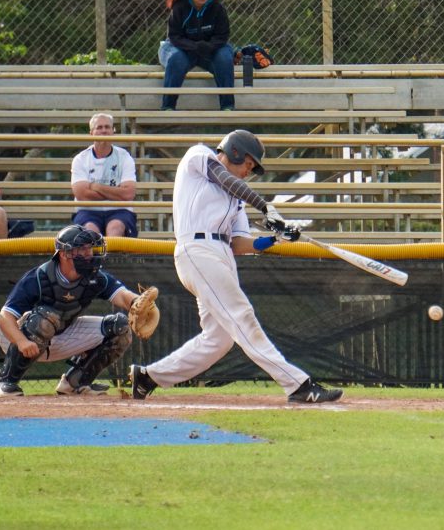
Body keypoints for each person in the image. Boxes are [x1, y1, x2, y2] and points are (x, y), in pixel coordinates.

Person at [130, 129, 343, 404]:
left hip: (220, 255)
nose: (248, 172)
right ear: (234, 152)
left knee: (219, 339)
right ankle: (298, 384)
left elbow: (241, 244)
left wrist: (275, 238)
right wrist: (265, 207)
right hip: (197, 250)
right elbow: (222, 176)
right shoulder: (199, 156)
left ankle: (148, 377)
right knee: (243, 316)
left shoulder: (236, 199)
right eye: (248, 164)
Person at [0, 225, 155, 397]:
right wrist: (21, 341)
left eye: (90, 248)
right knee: (47, 317)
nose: (89, 253)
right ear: (63, 254)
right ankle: (4, 381)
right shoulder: (40, 277)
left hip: (62, 333)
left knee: (121, 326)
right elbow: (5, 317)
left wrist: (138, 302)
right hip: (17, 337)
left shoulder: (95, 276)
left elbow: (122, 296)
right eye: (81, 249)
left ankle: (75, 383)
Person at [160, 0, 235, 112]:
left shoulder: (217, 9)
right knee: (176, 59)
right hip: (181, 49)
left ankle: (227, 106)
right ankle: (168, 107)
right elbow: (175, 36)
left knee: (224, 57)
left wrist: (209, 46)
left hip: (209, 50)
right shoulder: (179, 8)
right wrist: (194, 46)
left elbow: (222, 35)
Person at [70, 113, 138, 238]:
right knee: (90, 232)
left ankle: (110, 259)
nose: (104, 130)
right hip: (88, 211)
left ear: (113, 131)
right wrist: (115, 192)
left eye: (107, 127)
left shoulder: (125, 157)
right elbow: (81, 194)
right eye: (99, 127)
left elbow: (128, 194)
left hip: (120, 210)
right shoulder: (80, 159)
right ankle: (94, 258)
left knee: (115, 229)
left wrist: (95, 186)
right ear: (91, 133)